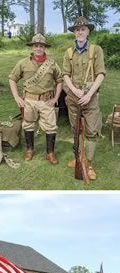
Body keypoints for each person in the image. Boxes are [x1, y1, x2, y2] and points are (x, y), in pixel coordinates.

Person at [8, 33, 63, 164]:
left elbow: (60, 80)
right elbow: (12, 78)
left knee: (51, 126)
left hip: (46, 101)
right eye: (36, 46)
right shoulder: (23, 63)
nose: (38, 48)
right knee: (28, 124)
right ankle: (30, 149)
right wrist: (16, 97)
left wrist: (56, 98)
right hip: (29, 100)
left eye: (41, 46)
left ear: (45, 48)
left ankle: (50, 153)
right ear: (32, 47)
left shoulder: (52, 64)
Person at [62, 16, 106, 180]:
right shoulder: (68, 52)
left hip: (90, 97)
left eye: (83, 29)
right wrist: (73, 90)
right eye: (77, 29)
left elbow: (101, 74)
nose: (80, 32)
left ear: (88, 31)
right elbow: (65, 75)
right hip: (73, 97)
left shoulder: (96, 50)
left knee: (91, 132)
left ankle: (89, 164)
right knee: (76, 130)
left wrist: (88, 94)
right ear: (74, 32)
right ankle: (78, 158)